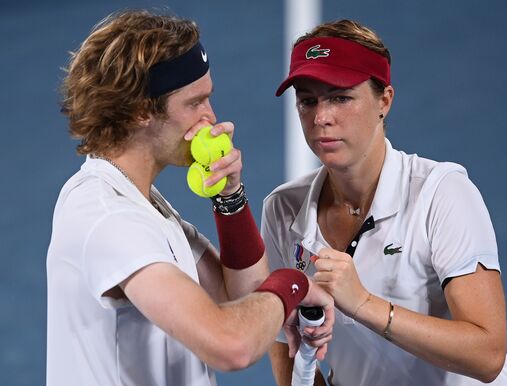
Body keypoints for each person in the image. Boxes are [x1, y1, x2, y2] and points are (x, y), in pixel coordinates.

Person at [46, 10, 334, 386]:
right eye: (195, 103)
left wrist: (229, 196)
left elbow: (240, 299)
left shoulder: (143, 204)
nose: (210, 117)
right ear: (140, 112)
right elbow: (231, 344)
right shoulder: (108, 217)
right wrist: (294, 284)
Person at [261, 19, 507, 386]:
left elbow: (488, 355)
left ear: (384, 101)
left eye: (340, 97)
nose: (321, 118)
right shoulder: (282, 208)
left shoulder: (442, 194)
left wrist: (363, 303)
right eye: (308, 101)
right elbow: (282, 341)